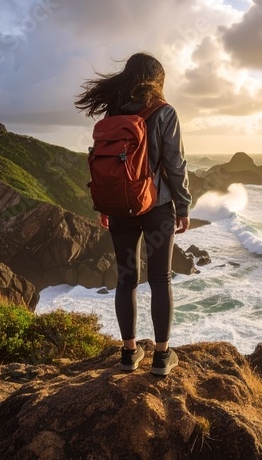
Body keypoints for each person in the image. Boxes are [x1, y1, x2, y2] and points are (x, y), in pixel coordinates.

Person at [75, 52, 191, 375]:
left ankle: (128, 354)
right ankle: (162, 356)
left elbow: (105, 163)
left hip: (121, 207)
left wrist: (104, 205)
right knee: (160, 279)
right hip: (156, 208)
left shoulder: (113, 112)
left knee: (126, 279)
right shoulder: (166, 113)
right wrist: (183, 206)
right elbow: (176, 165)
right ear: (157, 81)